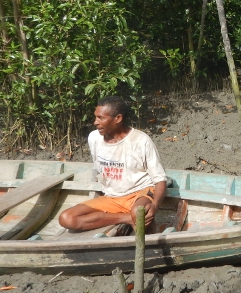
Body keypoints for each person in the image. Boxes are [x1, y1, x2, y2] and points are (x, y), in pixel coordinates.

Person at [59, 96, 168, 233]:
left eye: (101, 118)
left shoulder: (140, 141)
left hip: (139, 193)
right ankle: (125, 218)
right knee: (66, 218)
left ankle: (148, 236)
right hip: (112, 197)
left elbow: (160, 180)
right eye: (96, 117)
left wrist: (155, 205)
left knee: (138, 212)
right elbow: (99, 171)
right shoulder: (94, 138)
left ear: (118, 118)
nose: (95, 122)